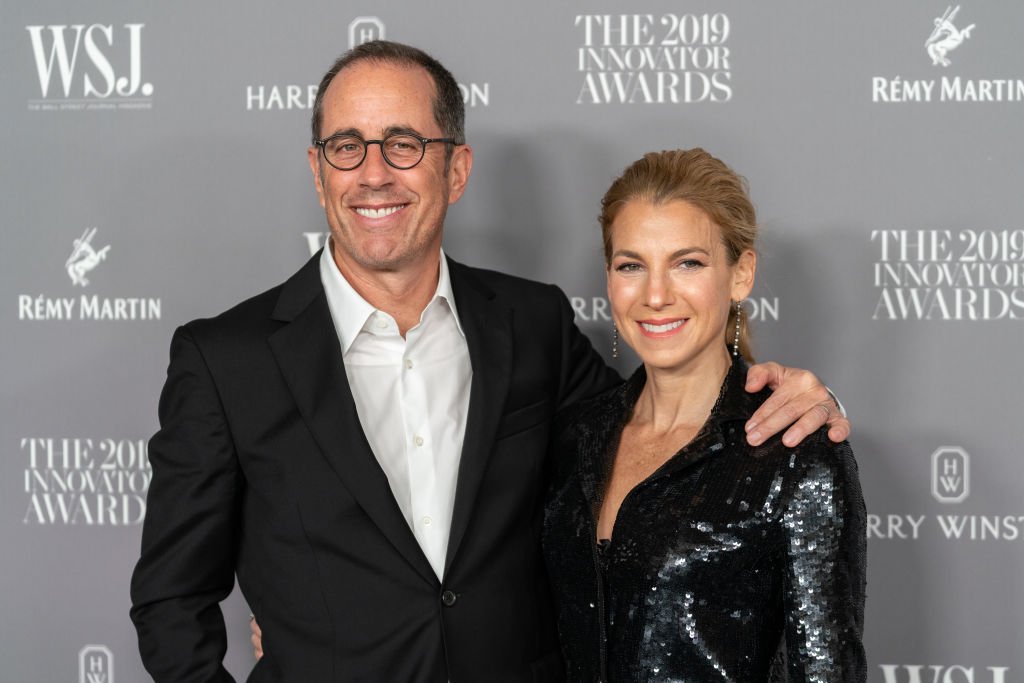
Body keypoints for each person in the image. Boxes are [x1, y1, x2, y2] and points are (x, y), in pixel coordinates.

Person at [130, 40, 850, 682]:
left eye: (404, 143)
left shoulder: (531, 323)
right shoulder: (226, 359)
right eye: (346, 146)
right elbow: (170, 599)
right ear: (319, 173)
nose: (373, 173)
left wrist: (804, 400)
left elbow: (662, 435)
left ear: (457, 168)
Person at [542, 149, 866, 682]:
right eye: (631, 265)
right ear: (609, 278)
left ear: (741, 275)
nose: (655, 295)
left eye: (687, 263)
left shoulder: (795, 451)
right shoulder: (578, 434)